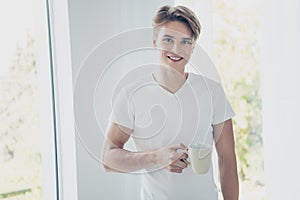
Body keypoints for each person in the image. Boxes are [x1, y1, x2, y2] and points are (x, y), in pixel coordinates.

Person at [102, 5, 239, 200]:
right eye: (168, 39)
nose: (176, 49)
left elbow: (227, 159)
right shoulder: (132, 94)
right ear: (155, 41)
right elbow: (108, 159)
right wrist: (156, 157)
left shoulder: (212, 92)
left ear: (192, 48)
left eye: (185, 42)